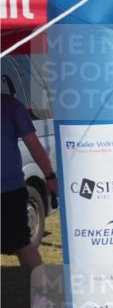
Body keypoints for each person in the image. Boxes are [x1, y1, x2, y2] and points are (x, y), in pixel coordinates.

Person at [2, 93, 58, 284]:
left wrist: (50, 176)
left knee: (23, 245)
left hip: (8, 190)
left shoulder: (10, 106)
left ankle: (43, 299)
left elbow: (33, 144)